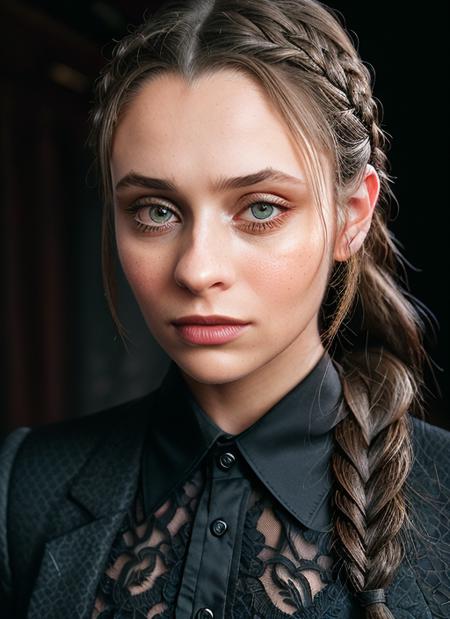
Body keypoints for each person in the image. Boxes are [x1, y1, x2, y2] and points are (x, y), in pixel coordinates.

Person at [1, 0, 449, 617]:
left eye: (261, 207)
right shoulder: (25, 487)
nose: (197, 270)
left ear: (352, 216)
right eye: (156, 211)